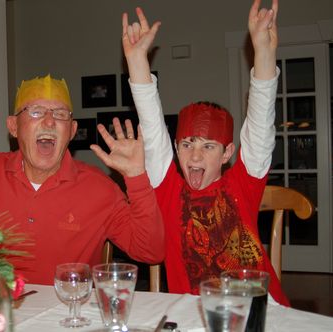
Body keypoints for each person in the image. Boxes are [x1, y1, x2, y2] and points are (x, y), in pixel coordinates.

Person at [0, 69, 164, 285]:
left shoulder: (100, 190)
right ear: (13, 127)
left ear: (72, 130)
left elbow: (150, 251)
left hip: (69, 318)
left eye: (60, 114)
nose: (50, 121)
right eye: (35, 112)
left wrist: (137, 177)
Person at [122, 0, 289, 305]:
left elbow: (260, 123)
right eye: (187, 145)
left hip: (262, 313)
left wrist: (263, 51)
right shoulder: (168, 188)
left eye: (208, 147)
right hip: (193, 318)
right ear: (175, 148)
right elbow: (151, 123)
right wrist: (136, 61)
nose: (195, 157)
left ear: (228, 153)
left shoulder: (243, 184)